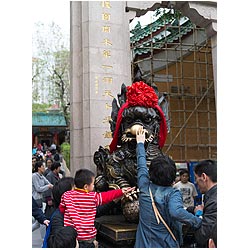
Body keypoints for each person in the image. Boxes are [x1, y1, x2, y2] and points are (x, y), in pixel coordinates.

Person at [134, 126, 202, 248]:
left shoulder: (144, 187)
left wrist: (140, 143)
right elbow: (176, 212)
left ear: (151, 173)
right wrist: (198, 221)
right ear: (172, 176)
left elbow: (141, 165)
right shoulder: (173, 193)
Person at [59, 168, 135, 248]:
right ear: (86, 187)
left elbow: (62, 209)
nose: (94, 186)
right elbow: (107, 196)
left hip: (72, 236)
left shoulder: (67, 195)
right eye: (93, 184)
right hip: (88, 236)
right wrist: (121, 191)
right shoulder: (93, 197)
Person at [186, 159, 217, 248]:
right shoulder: (212, 197)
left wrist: (198, 214)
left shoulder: (213, 202)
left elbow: (202, 236)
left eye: (196, 178)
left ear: (204, 177)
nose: (195, 182)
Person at [32, 161, 53, 237]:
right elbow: (38, 188)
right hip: (35, 200)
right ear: (38, 168)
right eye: (42, 166)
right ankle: (44, 239)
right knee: (42, 222)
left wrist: (53, 187)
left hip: (40, 201)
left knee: (38, 223)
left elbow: (48, 183)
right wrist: (48, 187)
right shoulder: (34, 176)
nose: (44, 168)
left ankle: (44, 239)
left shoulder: (42, 176)